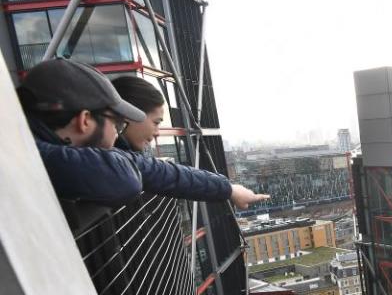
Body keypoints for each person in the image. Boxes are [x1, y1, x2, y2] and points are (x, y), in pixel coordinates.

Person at [17, 58, 268, 209]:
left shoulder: (30, 146)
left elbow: (151, 170)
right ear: (84, 121)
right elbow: (123, 177)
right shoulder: (25, 156)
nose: (118, 134)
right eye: (116, 123)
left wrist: (226, 188)